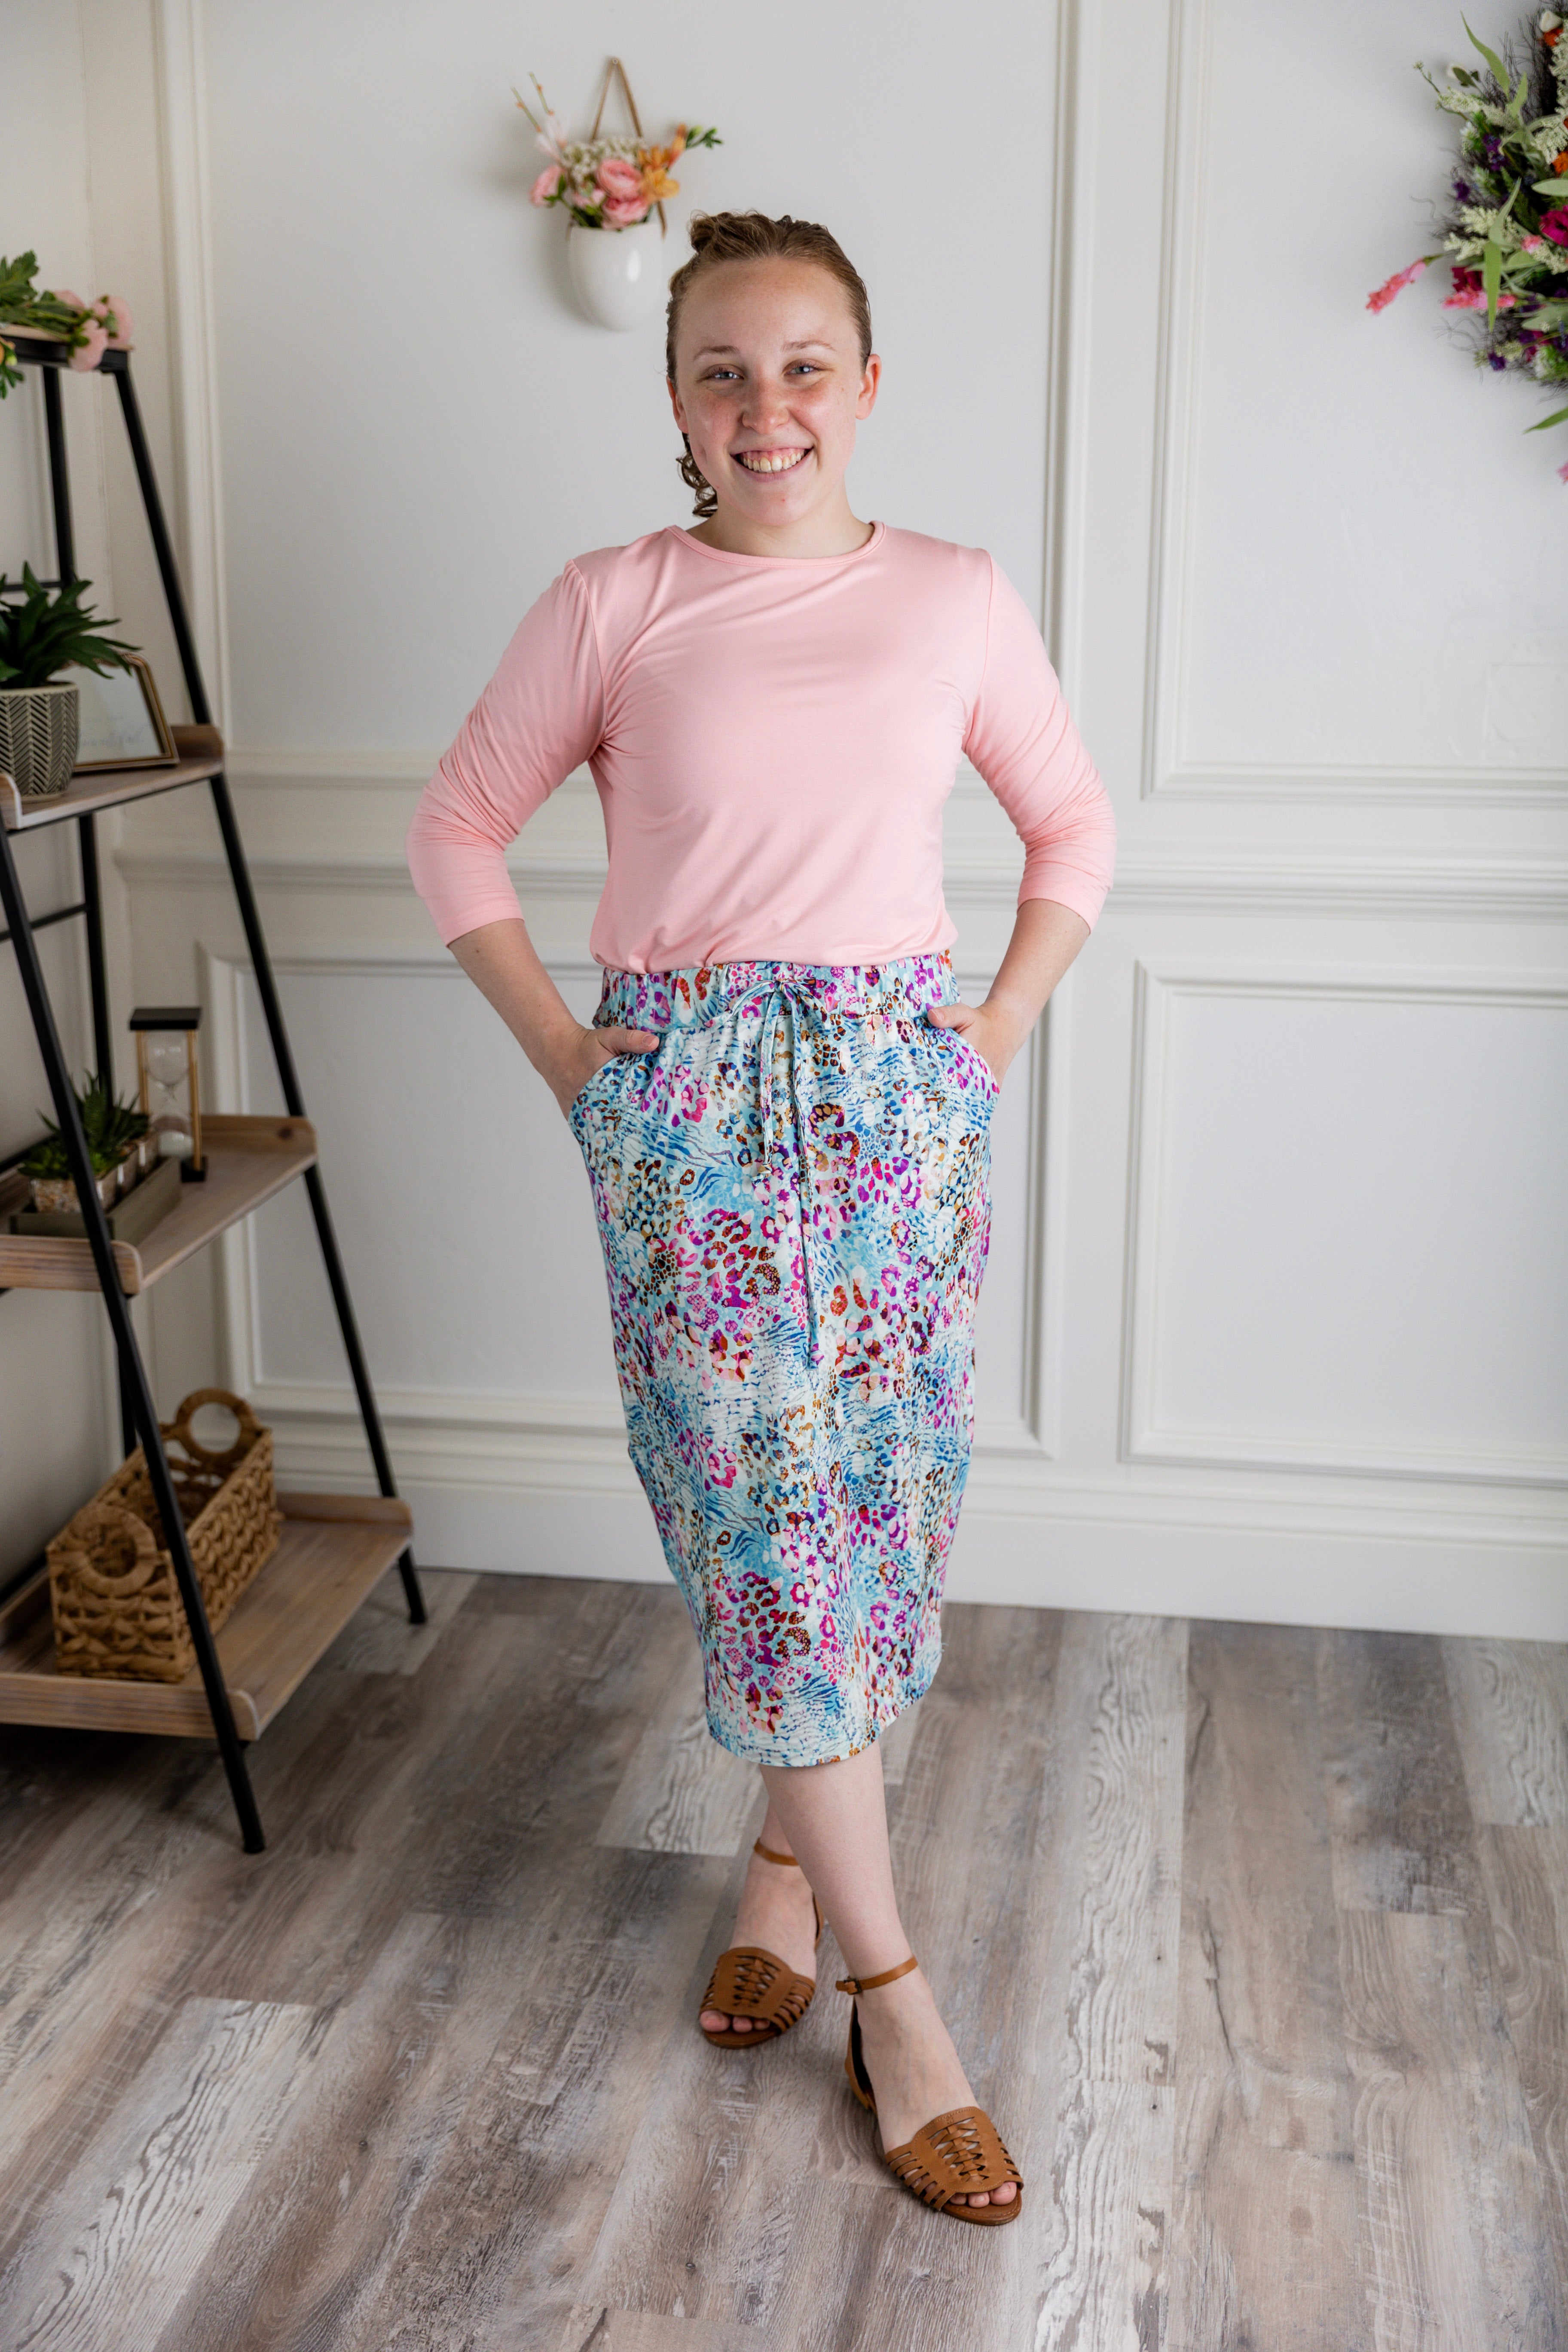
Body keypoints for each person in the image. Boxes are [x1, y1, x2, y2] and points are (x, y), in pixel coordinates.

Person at [407, 210, 1114, 2226]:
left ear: (866, 386)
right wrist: (578, 1066)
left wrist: (981, 1041)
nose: (765, 406)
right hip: (693, 1122)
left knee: (870, 1510)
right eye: (723, 369)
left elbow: (1073, 825)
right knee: (762, 1522)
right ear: (675, 401)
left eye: (804, 366)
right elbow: (455, 824)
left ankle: (790, 1876)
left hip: (898, 1106)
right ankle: (900, 2002)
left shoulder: (957, 598)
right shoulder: (614, 600)